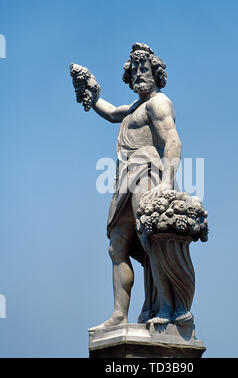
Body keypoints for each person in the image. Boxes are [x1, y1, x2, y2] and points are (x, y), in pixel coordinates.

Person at [74, 43, 182, 328]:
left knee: (150, 240)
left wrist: (168, 183)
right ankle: (119, 314)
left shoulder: (158, 103)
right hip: (126, 176)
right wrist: (92, 93)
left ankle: (167, 306)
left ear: (156, 73)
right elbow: (111, 113)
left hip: (148, 173)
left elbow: (173, 141)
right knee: (117, 245)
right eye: (134, 70)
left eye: (144, 68)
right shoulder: (136, 106)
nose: (138, 74)